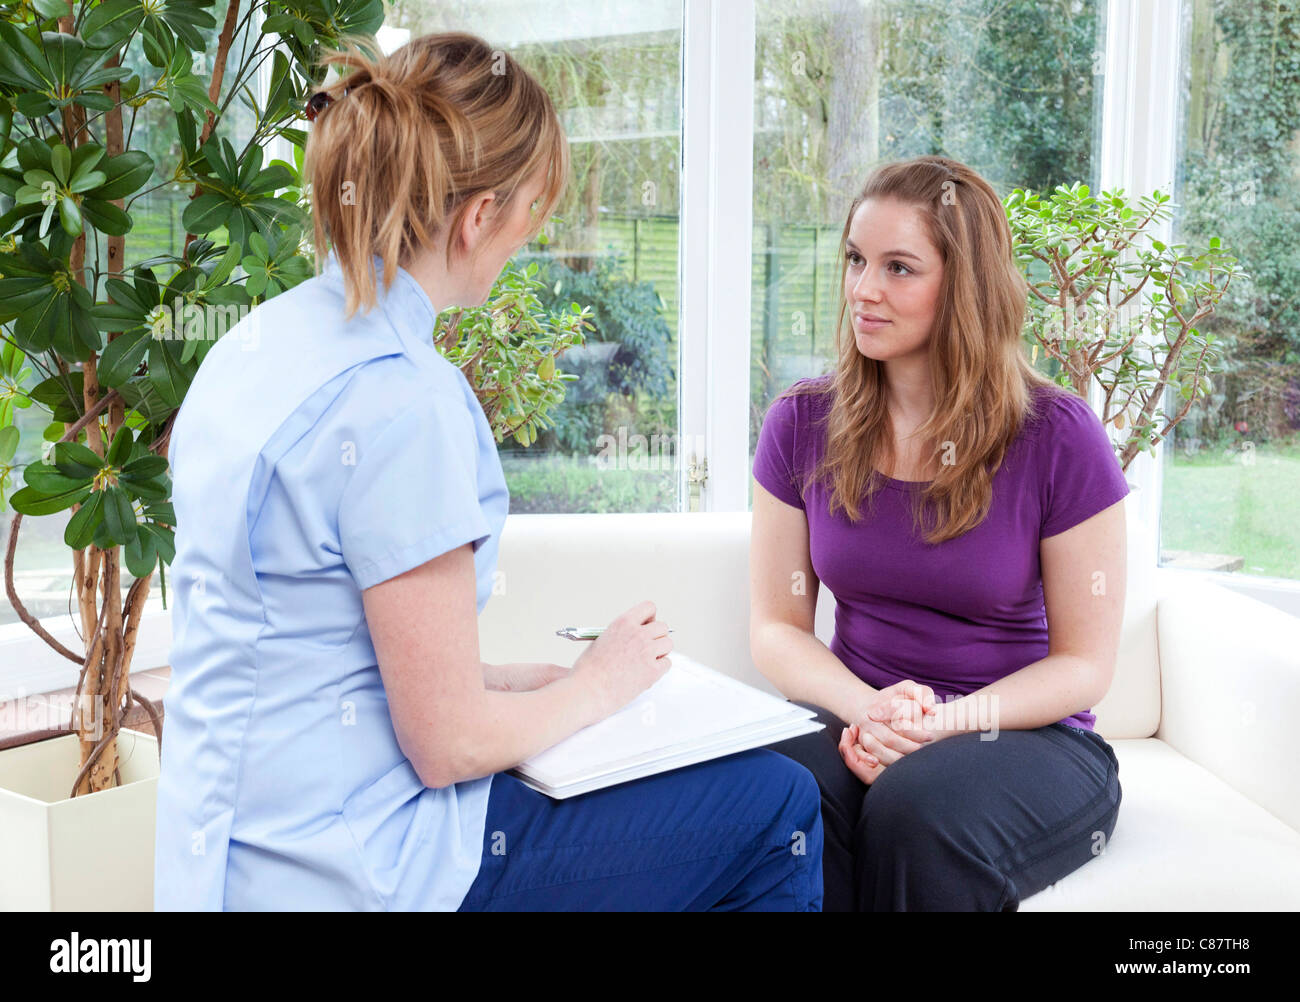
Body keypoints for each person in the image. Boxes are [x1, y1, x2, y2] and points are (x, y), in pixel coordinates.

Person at [153, 31, 822, 912]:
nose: (524, 244)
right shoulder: (404, 401)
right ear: (479, 217)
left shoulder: (254, 343)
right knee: (780, 805)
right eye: (531, 216)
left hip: (231, 860)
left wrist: (518, 681)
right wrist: (597, 685)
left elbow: (310, 638)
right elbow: (448, 746)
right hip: (366, 874)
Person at [752, 155, 1125, 911]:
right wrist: (869, 710)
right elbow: (775, 627)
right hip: (864, 713)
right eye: (856, 260)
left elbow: (1084, 665)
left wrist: (937, 727)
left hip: (1027, 737)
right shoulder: (801, 424)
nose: (864, 289)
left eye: (899, 267)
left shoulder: (1057, 436)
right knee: (767, 785)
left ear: (964, 286)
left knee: (913, 808)